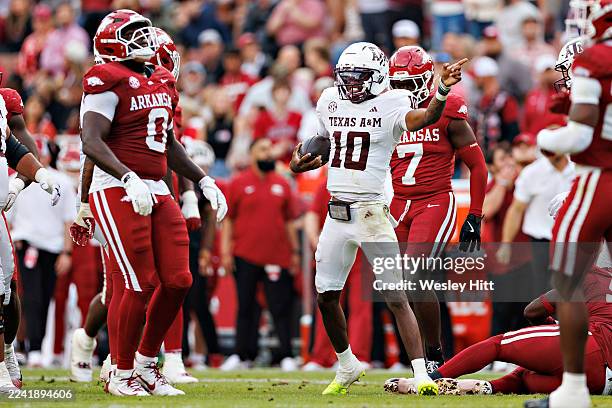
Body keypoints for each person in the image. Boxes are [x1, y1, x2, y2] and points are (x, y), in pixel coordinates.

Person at [289, 41, 468, 396]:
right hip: (335, 213)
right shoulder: (329, 100)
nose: (352, 83)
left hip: (371, 210)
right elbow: (327, 143)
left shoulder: (393, 103)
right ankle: (347, 365)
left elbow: (426, 117)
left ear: (376, 77)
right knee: (326, 296)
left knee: (395, 295)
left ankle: (420, 373)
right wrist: (299, 163)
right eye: (347, 76)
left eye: (359, 77)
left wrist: (443, 89)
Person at [80, 10, 227, 396]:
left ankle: (147, 364)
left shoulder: (159, 80)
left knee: (179, 280)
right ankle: (120, 371)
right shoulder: (105, 79)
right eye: (135, 33)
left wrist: (202, 179)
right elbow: (90, 141)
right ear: (111, 42)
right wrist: (127, 176)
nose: (145, 39)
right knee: (138, 282)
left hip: (156, 187)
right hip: (116, 187)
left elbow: (167, 144)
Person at [526, 4, 612, 407]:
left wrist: (549, 138)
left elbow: (576, 139)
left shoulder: (595, 58)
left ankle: (574, 391)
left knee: (567, 284)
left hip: (601, 179)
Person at [387, 46, 488, 371]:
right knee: (396, 283)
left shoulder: (448, 108)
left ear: (426, 79)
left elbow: (478, 166)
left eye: (409, 84)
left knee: (416, 275)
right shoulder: (386, 110)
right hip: (397, 203)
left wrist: (475, 215)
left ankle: (433, 355)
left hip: (434, 201)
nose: (403, 92)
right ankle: (418, 360)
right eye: (398, 85)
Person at [384, 262, 611, 396]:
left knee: (499, 344)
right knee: (524, 377)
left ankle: (427, 380)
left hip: (590, 346)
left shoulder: (590, 274)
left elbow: (532, 311)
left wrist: (552, 326)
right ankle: (484, 387)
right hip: (602, 383)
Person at [220, 137, 299, 371]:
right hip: (245, 254)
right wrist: (226, 252)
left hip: (278, 256)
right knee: (245, 306)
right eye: (263, 149)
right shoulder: (238, 183)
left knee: (279, 307)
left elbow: (289, 222)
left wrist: (294, 252)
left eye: (269, 149)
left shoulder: (283, 184)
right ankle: (242, 354)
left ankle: (284, 355)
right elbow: (228, 221)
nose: (268, 154)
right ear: (252, 154)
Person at [0, 84, 58, 392]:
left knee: (7, 289)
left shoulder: (5, 101)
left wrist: (20, 183)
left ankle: (7, 350)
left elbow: (25, 152)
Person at [7, 138, 75, 369]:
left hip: (53, 248)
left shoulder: (63, 181)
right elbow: (7, 216)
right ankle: (29, 347)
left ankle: (33, 346)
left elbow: (68, 220)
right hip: (27, 245)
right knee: (30, 297)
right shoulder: (14, 181)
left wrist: (67, 252)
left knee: (44, 298)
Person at [496, 149, 574, 294]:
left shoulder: (578, 168)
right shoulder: (532, 172)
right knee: (542, 290)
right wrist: (506, 244)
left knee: (570, 290)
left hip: (570, 240)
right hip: (540, 241)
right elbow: (516, 209)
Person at [472, 56, 521, 156]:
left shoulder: (505, 100)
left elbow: (512, 131)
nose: (475, 80)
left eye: (477, 76)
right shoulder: (481, 100)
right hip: (482, 155)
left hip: (500, 157)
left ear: (486, 77)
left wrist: (501, 152)